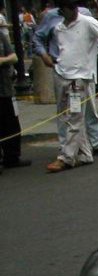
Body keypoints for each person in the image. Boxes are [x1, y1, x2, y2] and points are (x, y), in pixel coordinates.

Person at [40, 0, 98, 173]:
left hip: (79, 79)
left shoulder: (88, 22)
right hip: (63, 75)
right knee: (67, 117)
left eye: (75, 7)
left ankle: (66, 157)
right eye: (70, 8)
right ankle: (84, 153)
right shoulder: (59, 28)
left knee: (74, 118)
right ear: (63, 10)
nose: (74, 10)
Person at [33, 3, 98, 157]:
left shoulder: (85, 14)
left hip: (84, 70)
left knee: (90, 108)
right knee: (67, 111)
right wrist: (44, 55)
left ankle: (96, 142)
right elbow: (38, 38)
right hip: (63, 70)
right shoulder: (52, 18)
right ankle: (67, 147)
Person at [0, 26, 32, 170]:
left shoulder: (1, 36)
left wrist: (2, 60)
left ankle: (12, 158)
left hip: (6, 88)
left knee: (12, 125)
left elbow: (14, 57)